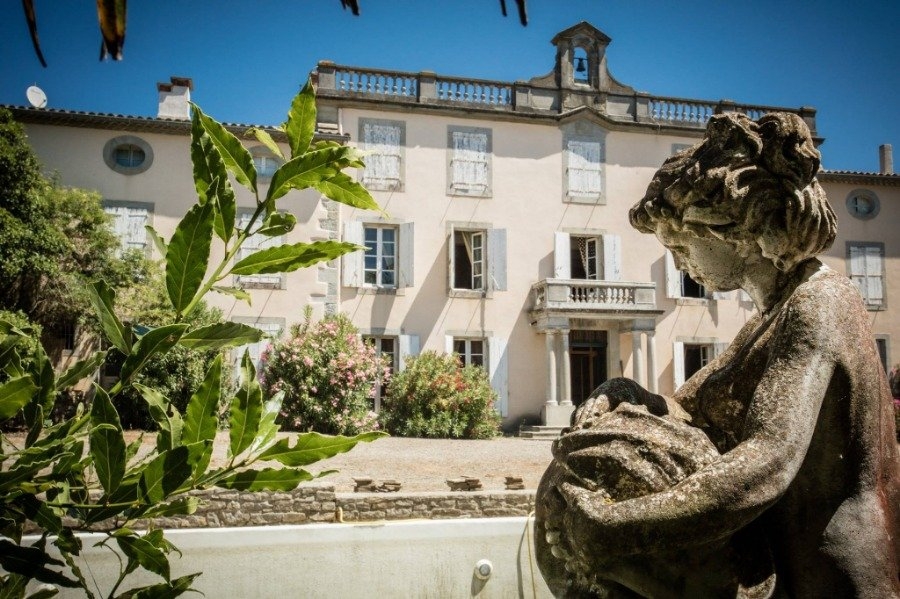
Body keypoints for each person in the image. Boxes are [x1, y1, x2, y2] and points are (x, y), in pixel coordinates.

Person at [535, 112, 900, 598]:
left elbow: (768, 461)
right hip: (780, 558)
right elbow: (684, 409)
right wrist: (618, 390)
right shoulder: (768, 318)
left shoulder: (820, 302)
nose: (681, 262)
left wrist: (618, 526)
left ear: (739, 233)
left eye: (684, 244)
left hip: (823, 571)